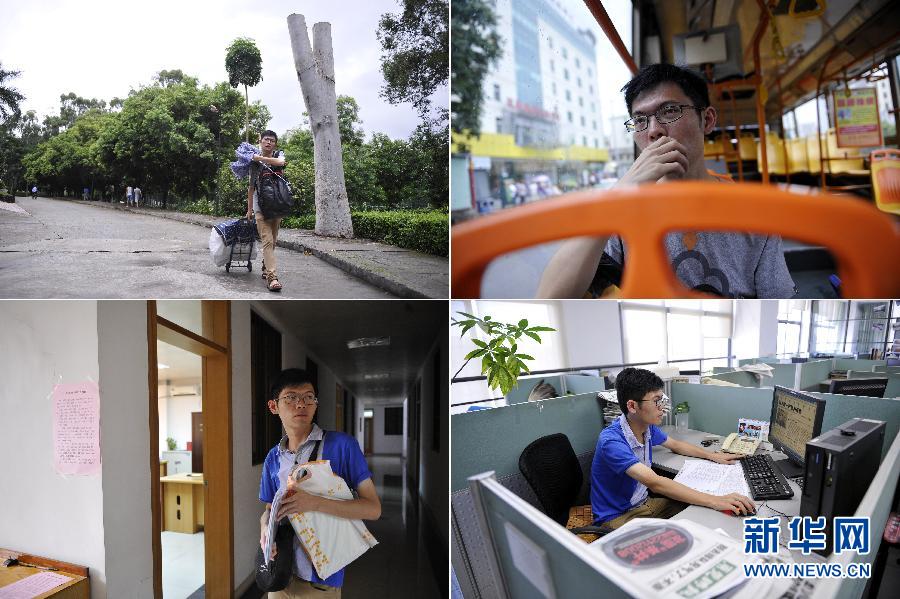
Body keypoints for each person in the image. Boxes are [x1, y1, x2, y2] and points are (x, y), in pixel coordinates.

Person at [537, 63, 796, 299]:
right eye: (640, 120)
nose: (653, 131)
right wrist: (616, 198)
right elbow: (549, 299)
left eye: (669, 111)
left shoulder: (754, 213)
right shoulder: (620, 208)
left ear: (706, 120)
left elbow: (777, 306)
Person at [259, 369, 381, 598]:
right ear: (274, 407)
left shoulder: (342, 446)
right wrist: (265, 529)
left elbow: (373, 509)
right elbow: (268, 509)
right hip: (279, 575)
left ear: (315, 404)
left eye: (308, 397)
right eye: (291, 397)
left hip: (320, 583)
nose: (301, 404)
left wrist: (314, 503)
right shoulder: (272, 458)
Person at [591, 367, 755, 529]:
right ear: (633, 406)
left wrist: (712, 455)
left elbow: (676, 445)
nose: (662, 407)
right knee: (683, 534)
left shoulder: (646, 427)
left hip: (646, 505)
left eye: (662, 400)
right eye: (656, 401)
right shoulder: (611, 441)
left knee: (701, 514)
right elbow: (654, 482)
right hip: (618, 517)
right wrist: (715, 500)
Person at [245, 130, 287, 292]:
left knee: (274, 240)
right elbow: (251, 187)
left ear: (275, 143)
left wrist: (258, 158)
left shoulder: (278, 154)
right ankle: (272, 277)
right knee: (267, 240)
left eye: (272, 140)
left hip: (277, 202)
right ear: (260, 141)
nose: (268, 142)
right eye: (266, 139)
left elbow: (281, 162)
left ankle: (265, 266)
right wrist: (250, 210)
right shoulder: (253, 163)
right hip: (260, 205)